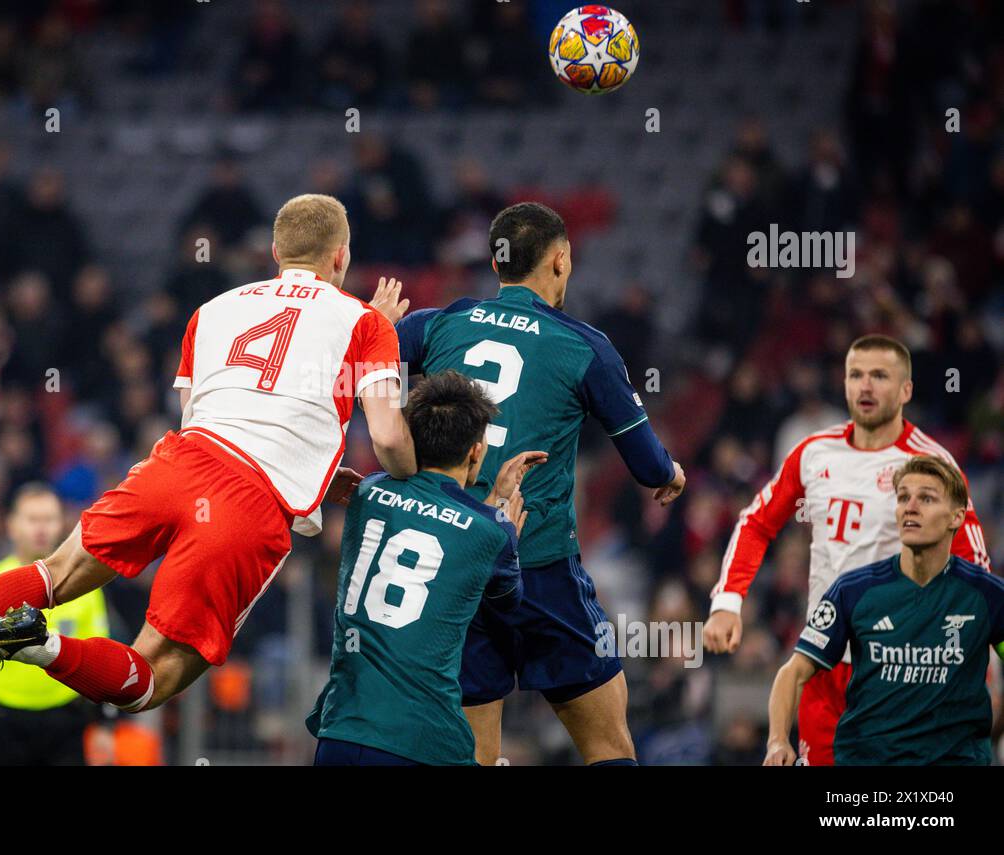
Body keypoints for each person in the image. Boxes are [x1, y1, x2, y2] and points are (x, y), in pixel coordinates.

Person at [0, 194, 416, 717]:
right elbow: (389, 438)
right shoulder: (364, 321)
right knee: (152, 675)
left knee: (52, 572)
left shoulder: (213, 309)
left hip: (179, 463)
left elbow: (196, 414)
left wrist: (309, 465)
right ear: (341, 255)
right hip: (246, 504)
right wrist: (411, 475)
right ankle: (42, 647)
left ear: (275, 253)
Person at [393, 202, 686, 765]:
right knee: (608, 743)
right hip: (540, 567)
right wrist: (671, 473)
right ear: (560, 260)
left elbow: (368, 352)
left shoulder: (442, 322)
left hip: (462, 563)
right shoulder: (584, 345)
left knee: (476, 752)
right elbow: (649, 467)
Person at [706, 334, 992, 765]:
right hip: (824, 659)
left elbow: (974, 565)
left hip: (902, 664)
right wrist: (728, 601)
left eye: (880, 376)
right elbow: (756, 522)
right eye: (856, 375)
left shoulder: (931, 465)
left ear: (906, 390)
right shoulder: (814, 452)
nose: (866, 386)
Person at [308, 370, 545, 765]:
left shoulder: (366, 493)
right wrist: (504, 525)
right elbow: (506, 602)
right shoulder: (493, 532)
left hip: (341, 732)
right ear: (474, 450)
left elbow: (430, 519)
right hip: (424, 741)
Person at [765, 455, 1004, 766]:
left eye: (926, 498)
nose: (911, 507)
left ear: (956, 517)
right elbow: (793, 672)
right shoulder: (854, 591)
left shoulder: (986, 597)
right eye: (903, 497)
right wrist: (777, 741)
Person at [0, 483, 109, 766]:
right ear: (12, 526)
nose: (41, 528)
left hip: (65, 721)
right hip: (3, 720)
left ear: (61, 525)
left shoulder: (85, 587)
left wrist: (104, 727)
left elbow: (99, 662)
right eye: (32, 519)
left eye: (48, 519)